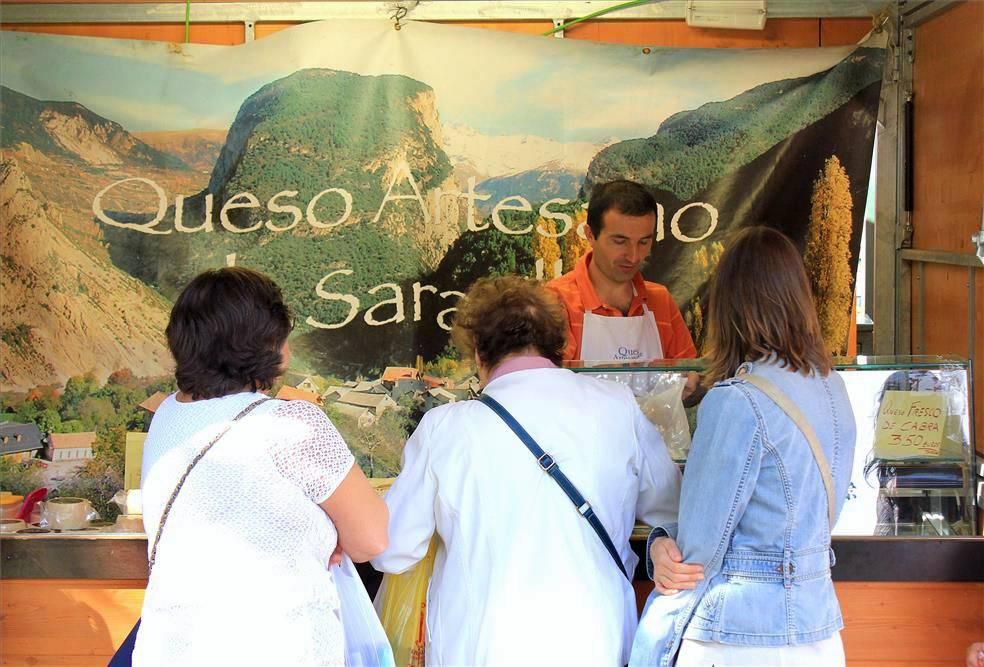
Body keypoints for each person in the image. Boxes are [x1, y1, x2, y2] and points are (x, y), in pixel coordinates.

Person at [372, 276, 681, 666]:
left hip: (481, 645)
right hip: (595, 641)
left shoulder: (444, 427)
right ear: (559, 347)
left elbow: (394, 551)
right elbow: (670, 513)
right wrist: (656, 544)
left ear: (479, 354)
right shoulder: (618, 406)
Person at [134, 267, 388, 666]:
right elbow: (371, 539)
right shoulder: (294, 425)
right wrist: (330, 532)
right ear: (267, 343)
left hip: (172, 651)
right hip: (278, 647)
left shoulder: (167, 415)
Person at [630, 226, 857, 667]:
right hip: (819, 628)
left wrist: (659, 542)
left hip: (738, 634)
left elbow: (697, 552)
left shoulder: (735, 400)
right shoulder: (835, 388)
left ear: (729, 305)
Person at [546, 179, 697, 366]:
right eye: (620, 241)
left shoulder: (661, 300)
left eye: (643, 242)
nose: (633, 257)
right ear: (590, 235)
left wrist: (688, 381)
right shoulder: (554, 301)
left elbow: (689, 373)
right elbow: (547, 385)